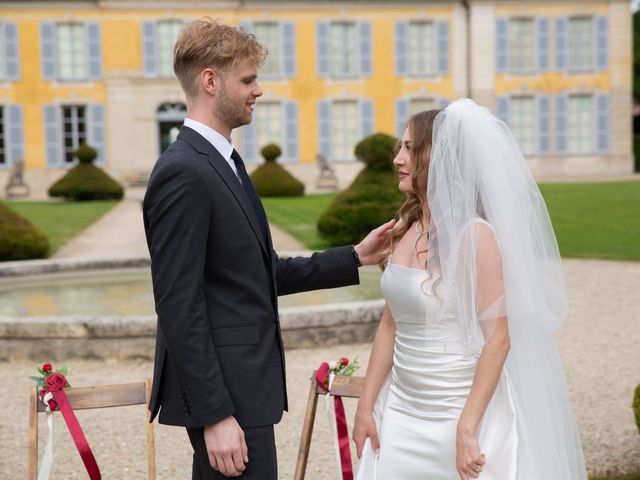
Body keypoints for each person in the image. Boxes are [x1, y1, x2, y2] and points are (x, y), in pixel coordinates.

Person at [142, 19, 394, 480]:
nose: (258, 90)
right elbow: (178, 304)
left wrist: (354, 256)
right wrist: (214, 415)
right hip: (227, 397)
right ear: (211, 81)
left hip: (245, 388)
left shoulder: (225, 161)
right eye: (248, 79)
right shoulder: (184, 171)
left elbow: (253, 272)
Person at [352, 98, 587, 479]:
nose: (397, 158)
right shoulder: (403, 228)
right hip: (399, 412)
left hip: (459, 407)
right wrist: (366, 405)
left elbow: (499, 340)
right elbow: (389, 326)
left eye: (410, 149)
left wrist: (466, 427)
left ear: (439, 157)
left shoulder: (475, 237)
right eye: (400, 147)